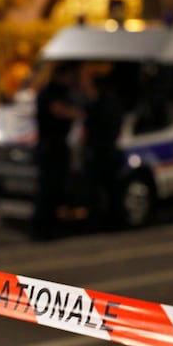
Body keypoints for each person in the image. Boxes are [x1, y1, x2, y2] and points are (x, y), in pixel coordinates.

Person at [31, 62, 83, 240]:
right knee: (48, 189)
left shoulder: (58, 92)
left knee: (54, 188)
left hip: (56, 147)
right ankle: (42, 228)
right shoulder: (50, 93)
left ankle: (49, 226)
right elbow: (58, 110)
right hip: (50, 148)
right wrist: (77, 113)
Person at [80, 63, 124, 231]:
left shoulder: (93, 107)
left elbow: (85, 133)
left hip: (97, 153)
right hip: (111, 150)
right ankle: (115, 220)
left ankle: (96, 223)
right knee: (112, 189)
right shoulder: (114, 104)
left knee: (94, 191)